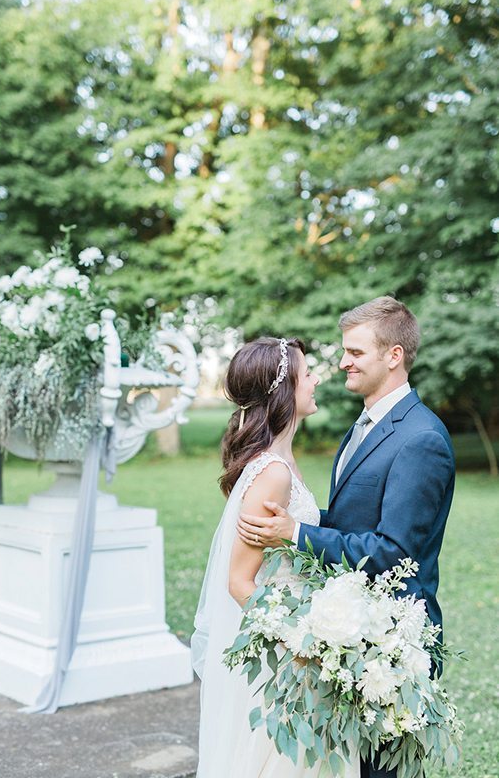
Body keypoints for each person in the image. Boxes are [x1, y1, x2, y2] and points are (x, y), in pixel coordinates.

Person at [237, 297, 456, 778]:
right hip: (351, 626)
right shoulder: (364, 426)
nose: (342, 362)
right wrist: (301, 516)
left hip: (391, 640)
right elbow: (355, 520)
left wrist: (295, 531)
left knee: (378, 770)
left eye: (355, 352)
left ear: (393, 356)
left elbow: (393, 550)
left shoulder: (421, 439)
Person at [191, 336, 359, 778]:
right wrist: (300, 644)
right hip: (286, 651)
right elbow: (239, 581)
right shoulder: (272, 474)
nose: (319, 377)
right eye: (308, 374)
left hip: (301, 628)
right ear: (284, 391)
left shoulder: (283, 462)